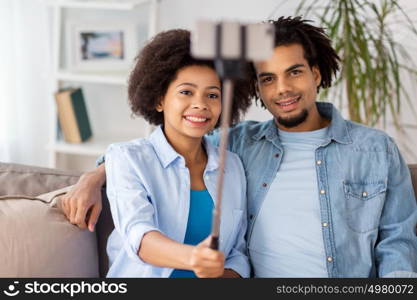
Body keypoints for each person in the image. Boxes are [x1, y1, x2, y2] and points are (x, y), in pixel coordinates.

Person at [61, 17, 417, 277]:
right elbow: (167, 149)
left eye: (294, 72)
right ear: (257, 89)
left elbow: (398, 242)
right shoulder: (242, 144)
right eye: (268, 79)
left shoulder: (376, 150)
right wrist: (94, 177)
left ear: (316, 74)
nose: (282, 89)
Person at [85, 29, 254, 278]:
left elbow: (237, 252)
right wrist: (195, 258)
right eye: (186, 92)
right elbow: (138, 236)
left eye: (212, 95)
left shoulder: (234, 166)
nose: (201, 104)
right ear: (160, 99)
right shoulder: (127, 158)